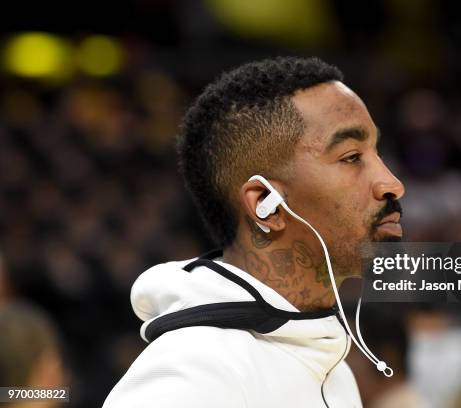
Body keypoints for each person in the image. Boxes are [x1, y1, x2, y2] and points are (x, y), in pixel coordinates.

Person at [103, 56, 405, 408]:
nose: (392, 184)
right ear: (268, 204)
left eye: (376, 152)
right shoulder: (195, 375)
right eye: (352, 156)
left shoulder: (336, 371)